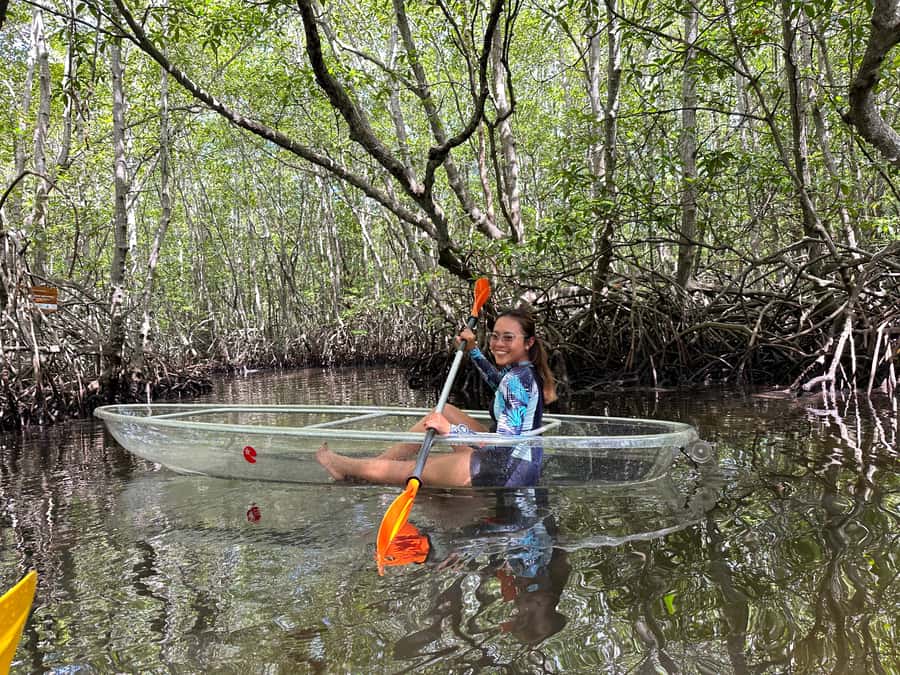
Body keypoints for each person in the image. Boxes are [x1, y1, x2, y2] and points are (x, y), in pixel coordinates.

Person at [316, 307, 557, 487]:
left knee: (409, 470)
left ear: (529, 342)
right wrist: (473, 351)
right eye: (495, 336)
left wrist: (450, 431)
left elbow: (503, 442)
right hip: (520, 464)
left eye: (508, 337)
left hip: (504, 472)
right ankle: (376, 465)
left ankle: (348, 468)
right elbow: (499, 386)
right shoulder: (522, 371)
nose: (497, 343)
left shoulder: (517, 380)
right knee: (445, 411)